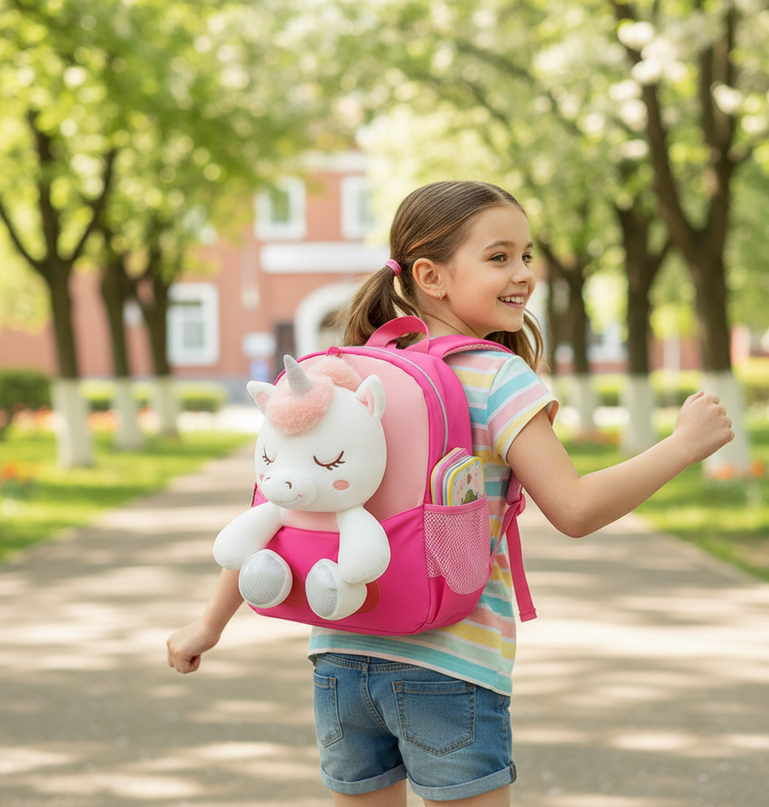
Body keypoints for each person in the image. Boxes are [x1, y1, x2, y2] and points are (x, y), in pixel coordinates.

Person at [167, 180, 734, 807]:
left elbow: (281, 507)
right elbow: (573, 510)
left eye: (525, 255)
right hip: (452, 662)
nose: (523, 274)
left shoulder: (347, 373)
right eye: (499, 257)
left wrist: (209, 623)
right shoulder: (496, 375)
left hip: (340, 655)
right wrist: (682, 445)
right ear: (430, 275)